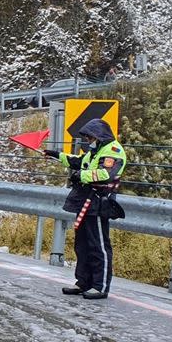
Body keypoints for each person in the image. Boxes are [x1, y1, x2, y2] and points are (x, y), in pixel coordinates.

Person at [44, 118, 126, 300]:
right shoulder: (95, 151)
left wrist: (82, 175)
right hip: (85, 201)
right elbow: (78, 161)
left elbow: (106, 174)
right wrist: (56, 155)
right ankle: (83, 282)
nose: (88, 141)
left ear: (99, 135)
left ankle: (100, 286)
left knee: (99, 246)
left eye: (90, 137)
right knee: (82, 245)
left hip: (98, 202)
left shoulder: (113, 150)